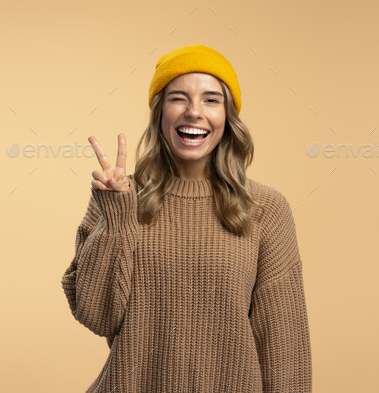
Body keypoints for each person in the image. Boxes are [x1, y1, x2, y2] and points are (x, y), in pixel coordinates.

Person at [61, 43, 312, 392]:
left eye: (211, 99)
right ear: (160, 112)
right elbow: (97, 315)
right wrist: (117, 216)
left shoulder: (266, 208)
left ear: (228, 117)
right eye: (179, 97)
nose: (194, 111)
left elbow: (285, 347)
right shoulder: (118, 197)